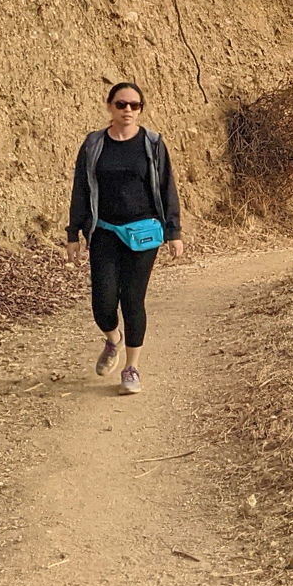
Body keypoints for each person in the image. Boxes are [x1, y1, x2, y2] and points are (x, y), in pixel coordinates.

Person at [65, 81, 185, 395]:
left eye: (134, 105)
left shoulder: (153, 143)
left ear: (141, 109)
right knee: (103, 303)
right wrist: (73, 233)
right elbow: (81, 189)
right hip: (104, 231)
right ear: (109, 107)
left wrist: (174, 232)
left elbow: (166, 188)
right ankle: (113, 339)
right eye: (121, 104)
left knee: (133, 300)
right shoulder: (94, 144)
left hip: (144, 233)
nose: (128, 110)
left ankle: (131, 368)